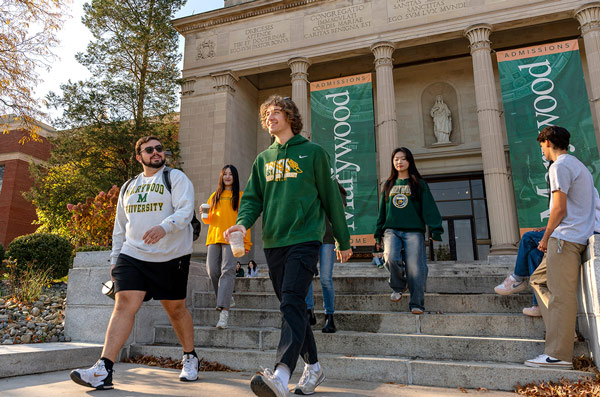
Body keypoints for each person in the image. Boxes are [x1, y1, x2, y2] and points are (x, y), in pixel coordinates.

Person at [224, 95, 352, 397]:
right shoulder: (263, 160)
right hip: (274, 242)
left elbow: (332, 199)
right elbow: (253, 199)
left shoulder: (314, 153)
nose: (270, 117)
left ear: (291, 117)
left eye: (277, 112)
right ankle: (315, 367)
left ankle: (281, 374)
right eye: (267, 113)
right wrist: (243, 224)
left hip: (306, 238)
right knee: (292, 306)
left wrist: (342, 240)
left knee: (292, 301)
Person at [70, 136, 198, 389]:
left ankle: (190, 356)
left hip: (171, 256)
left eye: (159, 149)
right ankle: (103, 369)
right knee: (123, 304)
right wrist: (115, 257)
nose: (156, 153)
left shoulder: (175, 178)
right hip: (133, 254)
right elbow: (120, 225)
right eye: (149, 150)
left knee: (176, 310)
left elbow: (185, 210)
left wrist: (164, 227)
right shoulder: (129, 186)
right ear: (139, 157)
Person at [525, 126, 596, 369]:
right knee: (538, 280)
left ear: (547, 142)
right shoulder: (578, 165)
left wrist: (545, 238)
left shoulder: (559, 167)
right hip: (574, 236)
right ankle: (566, 330)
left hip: (565, 239)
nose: (541, 151)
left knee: (561, 297)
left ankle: (558, 354)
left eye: (541, 146)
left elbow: (558, 208)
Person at [374, 147, 443, 315]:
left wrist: (435, 229)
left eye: (403, 158)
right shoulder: (389, 184)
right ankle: (399, 285)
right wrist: (378, 233)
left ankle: (416, 303)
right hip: (391, 229)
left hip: (413, 231)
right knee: (390, 257)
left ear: (409, 161)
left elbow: (429, 208)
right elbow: (382, 211)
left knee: (415, 267)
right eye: (396, 159)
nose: (399, 162)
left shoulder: (418, 184)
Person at [202, 165, 251, 329]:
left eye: (231, 174)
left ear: (235, 177)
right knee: (212, 271)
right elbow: (208, 220)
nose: (228, 177)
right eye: (225, 174)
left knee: (227, 270)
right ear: (221, 177)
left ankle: (223, 312)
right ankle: (226, 297)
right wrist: (203, 212)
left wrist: (247, 243)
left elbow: (245, 221)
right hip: (214, 237)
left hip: (233, 239)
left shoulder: (241, 197)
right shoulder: (214, 196)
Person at [305, 183, 348, 334]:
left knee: (325, 279)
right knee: (306, 276)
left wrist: (342, 243)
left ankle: (329, 316)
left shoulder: (333, 186)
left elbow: (339, 215)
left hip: (327, 239)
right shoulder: (307, 182)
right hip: (308, 238)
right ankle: (309, 311)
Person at [494, 229, 545, 317]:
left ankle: (517, 278)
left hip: (565, 232)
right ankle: (539, 304)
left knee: (527, 237)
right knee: (533, 254)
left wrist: (547, 233)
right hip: (560, 228)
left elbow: (561, 216)